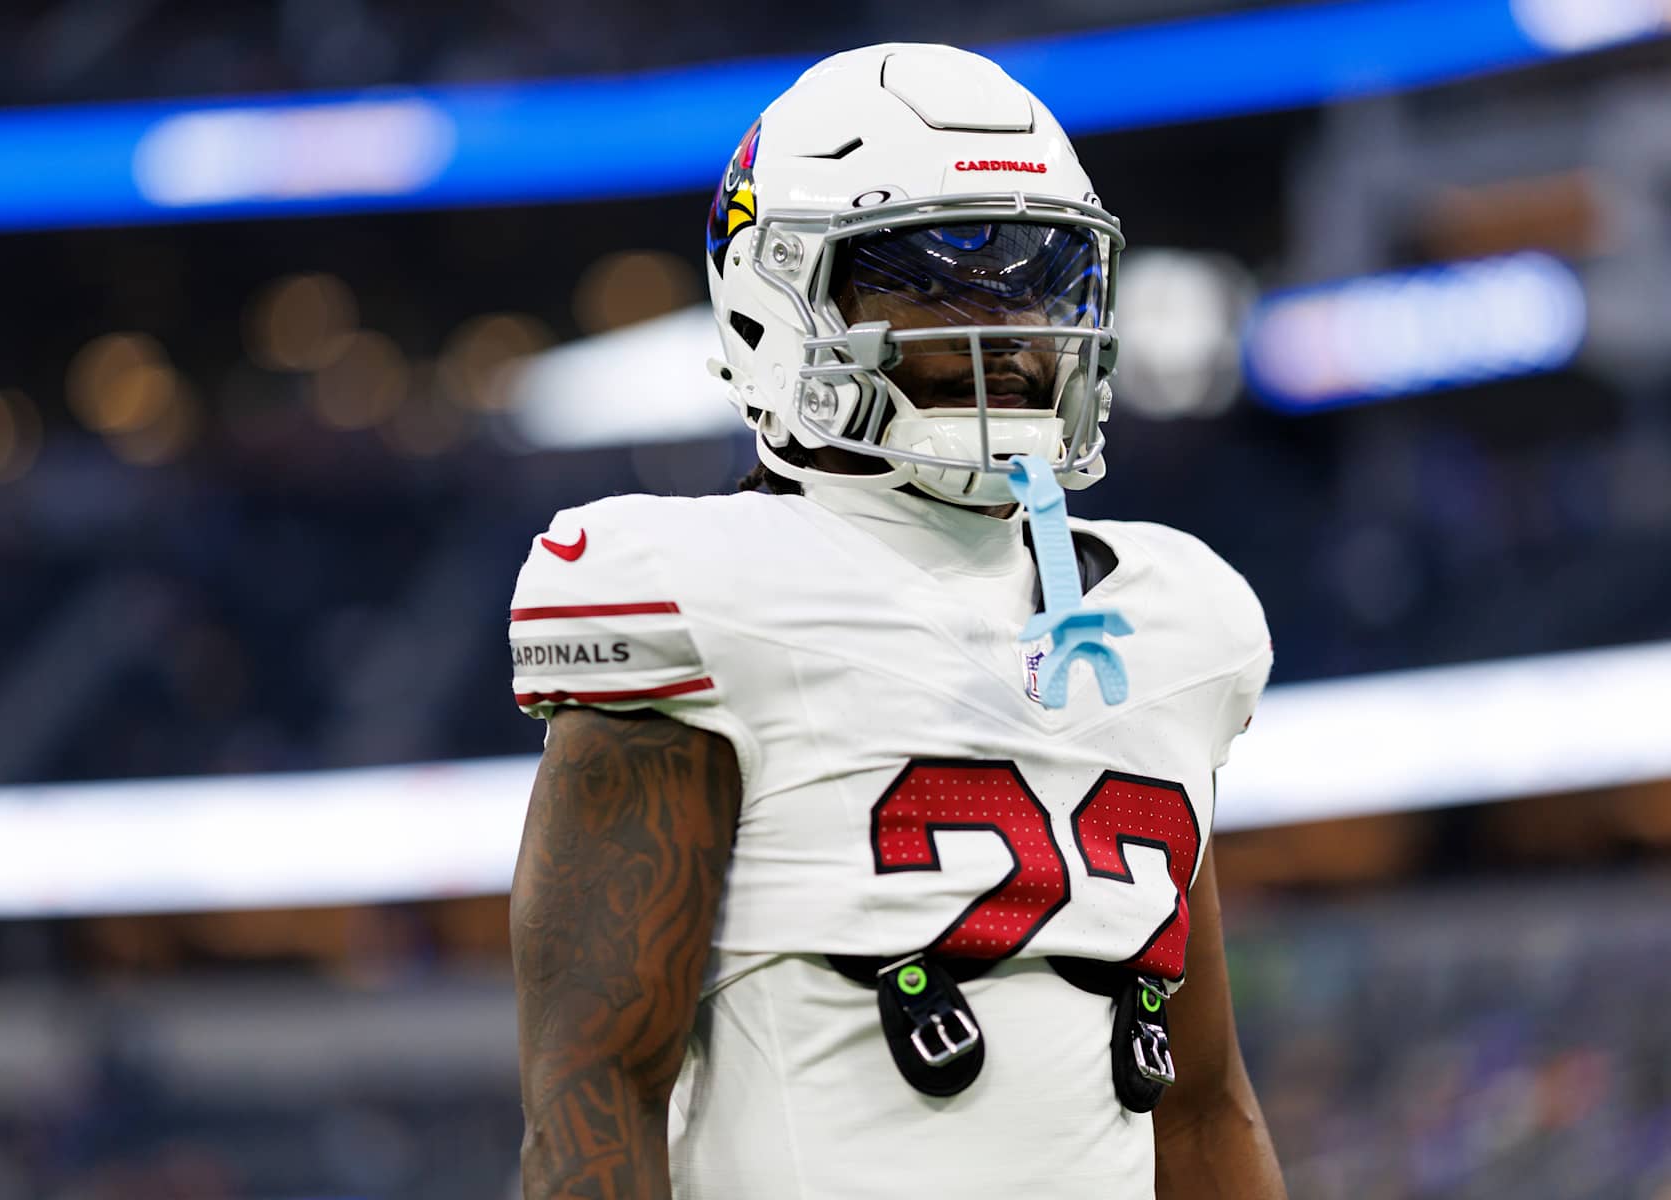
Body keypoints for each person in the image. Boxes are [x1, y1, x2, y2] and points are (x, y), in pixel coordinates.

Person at [508, 43, 1284, 1199]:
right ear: (778, 300)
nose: (1014, 326)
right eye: (937, 275)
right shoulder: (697, 592)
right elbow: (592, 1096)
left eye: (1041, 274)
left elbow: (1201, 1103)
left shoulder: (1170, 621)